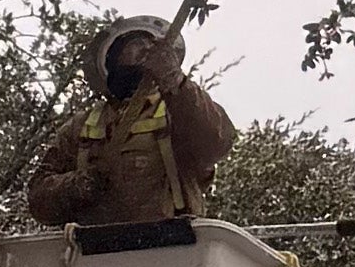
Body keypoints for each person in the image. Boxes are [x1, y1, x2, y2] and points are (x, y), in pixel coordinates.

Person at [21, 20, 235, 234]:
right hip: (97, 254)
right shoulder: (82, 126)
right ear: (112, 59)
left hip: (171, 248)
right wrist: (76, 186)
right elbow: (40, 201)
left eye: (150, 48)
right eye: (134, 46)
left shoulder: (178, 111)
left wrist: (175, 80)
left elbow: (218, 142)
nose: (145, 52)